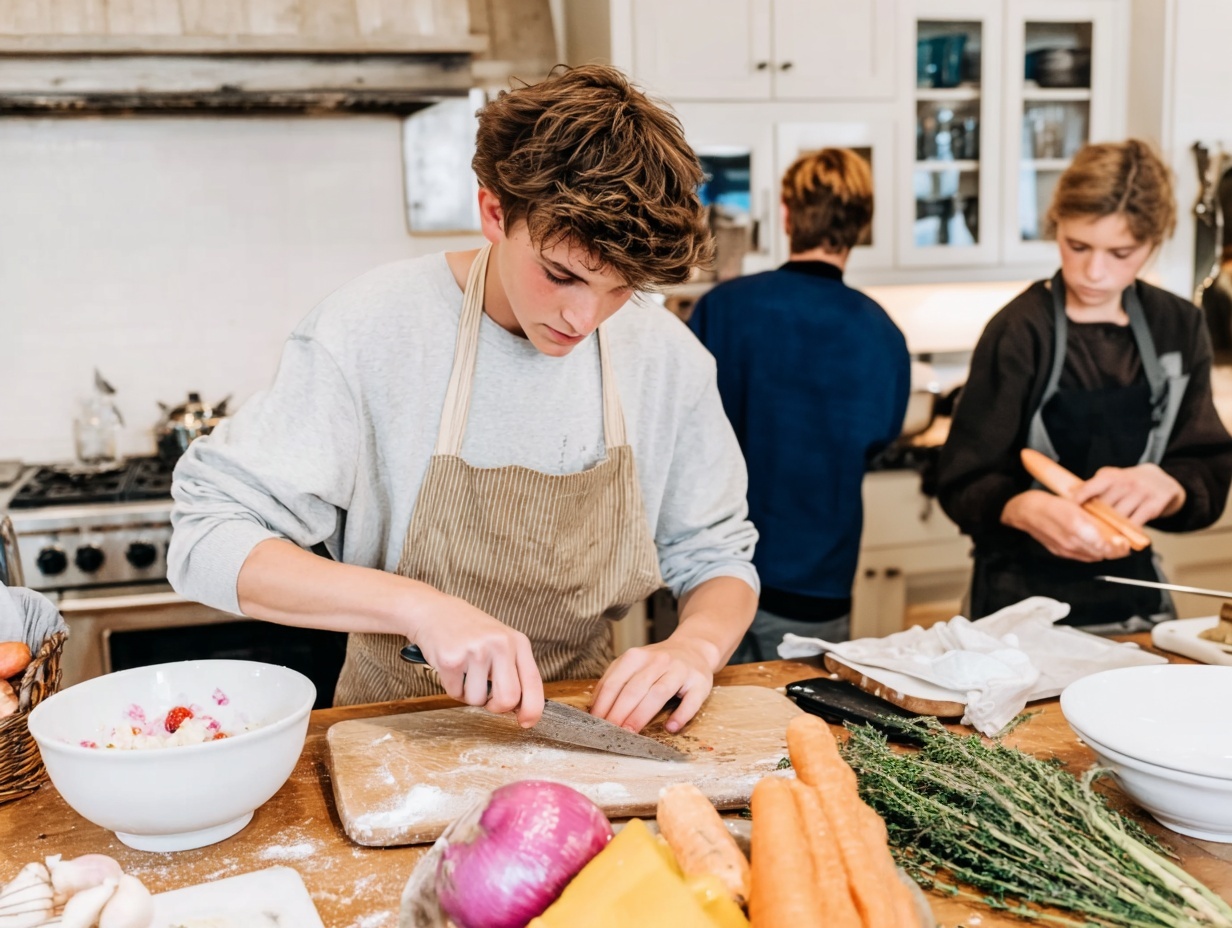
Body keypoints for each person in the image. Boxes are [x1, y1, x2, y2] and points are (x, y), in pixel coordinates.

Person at [167, 64, 759, 734]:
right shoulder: (372, 329)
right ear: (494, 212)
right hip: (391, 732)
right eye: (560, 274)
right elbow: (206, 540)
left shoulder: (665, 356)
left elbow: (715, 555)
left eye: (620, 288)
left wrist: (695, 647)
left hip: (586, 729)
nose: (584, 316)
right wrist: (419, 607)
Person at [937, 139, 1232, 631]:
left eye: (1121, 253)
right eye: (1078, 246)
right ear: (1057, 228)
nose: (1095, 272)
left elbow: (1208, 466)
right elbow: (961, 480)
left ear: (1153, 243)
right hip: (1014, 605)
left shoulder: (1177, 326)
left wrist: (1171, 486)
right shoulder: (1020, 330)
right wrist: (1019, 506)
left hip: (1134, 605)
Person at [687, 148, 909, 662]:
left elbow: (683, 433)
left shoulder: (725, 307)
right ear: (863, 223)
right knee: (805, 722)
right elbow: (880, 436)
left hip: (716, 572)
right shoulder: (881, 332)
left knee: (714, 724)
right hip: (820, 576)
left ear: (786, 214)